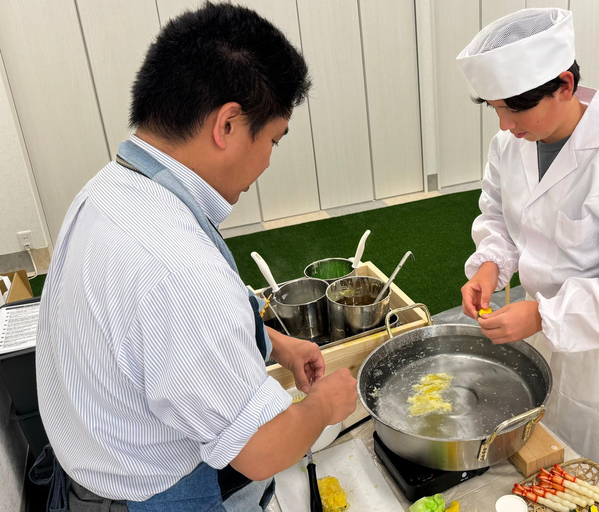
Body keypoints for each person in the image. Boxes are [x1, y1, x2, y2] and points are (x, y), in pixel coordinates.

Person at [35, 4, 357, 511]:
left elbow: (150, 341)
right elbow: (260, 451)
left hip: (89, 476)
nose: (269, 160)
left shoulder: (110, 191)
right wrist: (322, 406)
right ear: (227, 124)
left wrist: (275, 345)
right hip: (152, 497)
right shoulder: (176, 267)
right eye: (272, 138)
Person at [456, 8, 599, 503]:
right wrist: (492, 265)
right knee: (554, 463)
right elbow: (499, 216)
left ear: (564, 85)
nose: (505, 125)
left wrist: (542, 312)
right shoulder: (510, 146)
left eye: (515, 110)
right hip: (546, 338)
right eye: (495, 109)